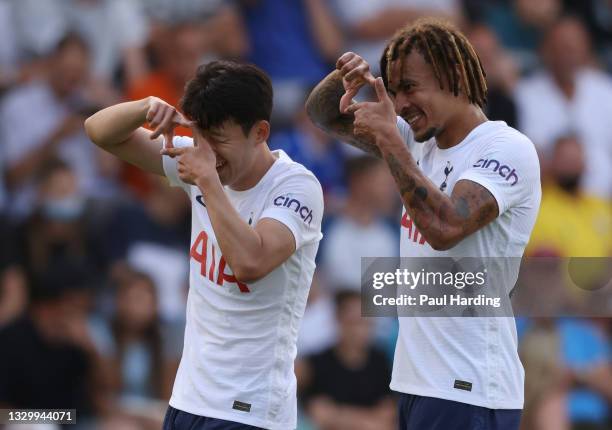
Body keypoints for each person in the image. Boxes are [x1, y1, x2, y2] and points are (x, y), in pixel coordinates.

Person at [306, 18, 541, 430]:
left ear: (455, 76)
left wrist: (391, 140)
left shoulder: (507, 149)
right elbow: (324, 115)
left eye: (410, 88)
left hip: (469, 386)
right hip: (419, 384)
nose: (400, 105)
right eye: (393, 92)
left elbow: (445, 227)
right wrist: (346, 78)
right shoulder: (418, 140)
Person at [85, 60, 324, 429]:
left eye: (219, 140)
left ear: (260, 132)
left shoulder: (296, 188)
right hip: (187, 400)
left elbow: (250, 261)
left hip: (249, 410)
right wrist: (145, 107)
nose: (206, 151)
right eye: (200, 136)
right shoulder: (201, 161)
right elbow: (100, 132)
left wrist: (208, 181)